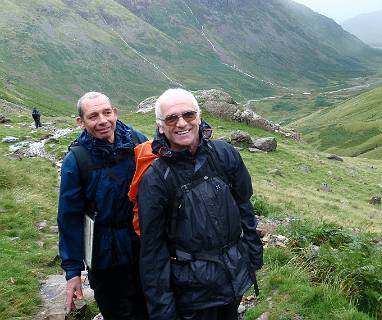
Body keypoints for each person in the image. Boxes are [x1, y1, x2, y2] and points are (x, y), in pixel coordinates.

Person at [137, 88, 263, 320]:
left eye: (188, 115)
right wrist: (163, 310)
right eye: (171, 118)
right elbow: (153, 252)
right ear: (160, 126)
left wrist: (253, 255)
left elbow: (244, 203)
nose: (182, 123)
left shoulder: (224, 154)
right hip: (192, 291)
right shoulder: (155, 179)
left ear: (199, 116)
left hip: (233, 273)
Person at [57, 92, 148, 319]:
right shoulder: (77, 160)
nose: (103, 121)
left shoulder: (138, 142)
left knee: (151, 309)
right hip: (104, 254)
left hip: (143, 246)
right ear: (81, 122)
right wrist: (72, 272)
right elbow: (69, 218)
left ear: (115, 112)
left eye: (107, 113)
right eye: (93, 116)